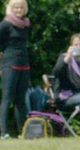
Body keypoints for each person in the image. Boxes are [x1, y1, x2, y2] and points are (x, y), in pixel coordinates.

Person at [0, 0, 30, 140]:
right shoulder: (5, 24)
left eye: (21, 7)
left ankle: (22, 132)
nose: (19, 10)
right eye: (16, 7)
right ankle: (4, 132)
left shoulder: (26, 24)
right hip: (9, 65)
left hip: (24, 65)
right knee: (7, 99)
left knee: (21, 100)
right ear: (11, 8)